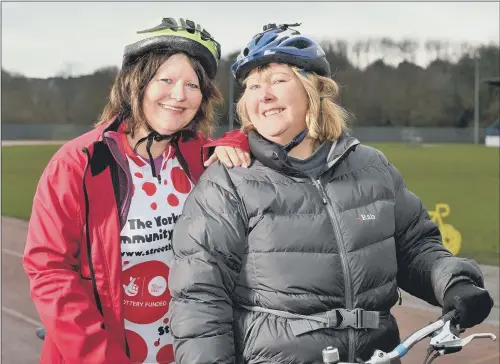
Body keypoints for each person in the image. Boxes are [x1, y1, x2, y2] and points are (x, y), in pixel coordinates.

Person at [168, 23, 494, 364]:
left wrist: (452, 282)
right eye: (252, 86)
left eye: (278, 80)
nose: (262, 95)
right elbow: (199, 297)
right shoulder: (228, 181)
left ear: (314, 90)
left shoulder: (371, 167)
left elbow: (414, 246)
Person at [23, 17, 250, 364]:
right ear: (137, 84)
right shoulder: (79, 162)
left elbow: (242, 145)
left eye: (192, 85)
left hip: (186, 351)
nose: (179, 95)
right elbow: (49, 270)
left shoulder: (199, 157)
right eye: (167, 80)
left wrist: (238, 140)